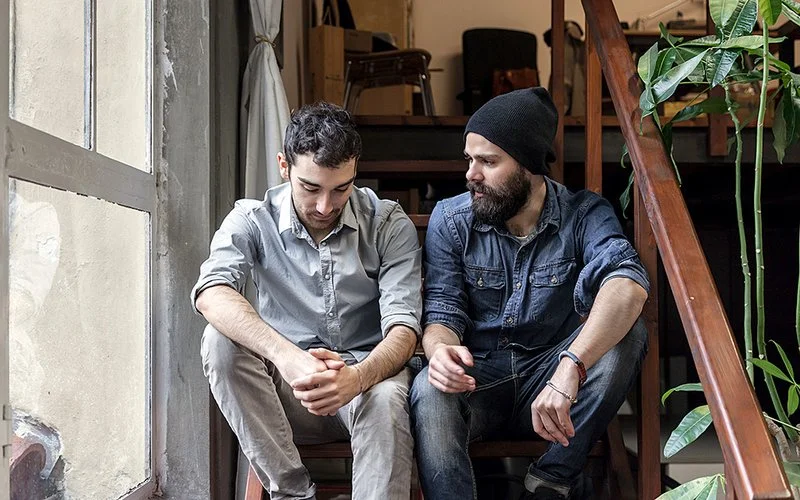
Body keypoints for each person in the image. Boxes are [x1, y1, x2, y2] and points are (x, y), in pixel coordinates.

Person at [410, 87, 649, 500]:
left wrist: (571, 366)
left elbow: (627, 285)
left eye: (488, 161)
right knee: (429, 389)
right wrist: (440, 351)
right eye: (470, 159)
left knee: (630, 332)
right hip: (478, 381)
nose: (471, 174)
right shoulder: (451, 219)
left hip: (553, 380)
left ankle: (549, 483)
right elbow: (442, 312)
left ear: (529, 166)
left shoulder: (584, 214)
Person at [192, 102, 421, 500]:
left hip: (368, 384)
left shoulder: (387, 222)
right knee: (218, 341)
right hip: (286, 393)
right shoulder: (253, 219)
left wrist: (357, 378)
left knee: (386, 400)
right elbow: (211, 292)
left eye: (341, 189)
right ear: (284, 166)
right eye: (311, 188)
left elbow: (404, 330)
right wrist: (288, 357)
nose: (325, 206)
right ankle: (294, 495)